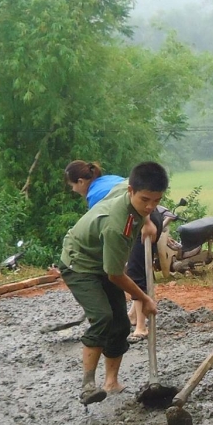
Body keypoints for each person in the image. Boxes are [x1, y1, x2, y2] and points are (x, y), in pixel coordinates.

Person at [57, 161, 166, 405]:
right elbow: (115, 274)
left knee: (119, 324)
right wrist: (145, 298)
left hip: (104, 261)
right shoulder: (118, 225)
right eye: (145, 200)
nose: (150, 206)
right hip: (79, 263)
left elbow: (114, 270)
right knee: (103, 317)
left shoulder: (123, 188)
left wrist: (147, 220)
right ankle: (87, 385)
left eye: (156, 201)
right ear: (131, 192)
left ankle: (111, 382)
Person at [124, 200, 166, 339]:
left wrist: (146, 222)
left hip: (145, 221)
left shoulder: (95, 194)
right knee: (139, 269)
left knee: (136, 275)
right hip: (149, 218)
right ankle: (133, 315)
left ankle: (141, 327)